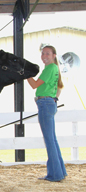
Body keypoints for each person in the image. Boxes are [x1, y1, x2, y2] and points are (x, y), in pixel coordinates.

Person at [27, 45, 67, 182]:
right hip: (49, 102)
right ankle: (60, 172)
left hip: (44, 103)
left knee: (50, 140)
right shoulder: (54, 68)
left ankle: (55, 175)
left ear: (54, 55)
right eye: (43, 53)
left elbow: (34, 85)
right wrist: (54, 98)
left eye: (47, 54)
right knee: (52, 140)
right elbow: (59, 86)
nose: (44, 56)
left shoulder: (50, 68)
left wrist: (26, 74)